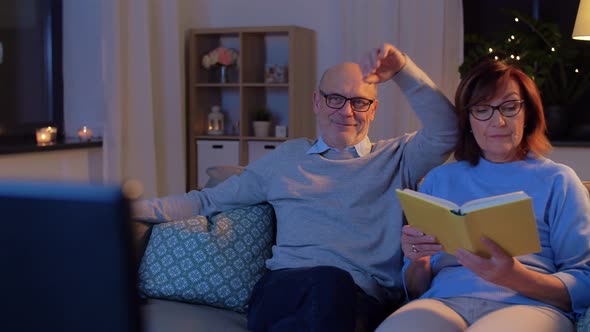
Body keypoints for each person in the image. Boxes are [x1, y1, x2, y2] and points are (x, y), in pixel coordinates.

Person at [134, 43, 458, 331]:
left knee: (333, 285)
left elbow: (447, 131)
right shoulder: (286, 159)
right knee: (327, 282)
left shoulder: (398, 158)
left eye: (359, 102)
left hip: (360, 301)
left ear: (373, 110)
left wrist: (402, 70)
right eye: (335, 99)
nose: (346, 112)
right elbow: (207, 201)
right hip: (283, 291)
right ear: (317, 102)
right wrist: (128, 208)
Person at [376, 58, 590, 332]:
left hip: (529, 305)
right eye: (482, 110)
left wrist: (515, 276)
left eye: (510, 107)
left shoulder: (559, 180)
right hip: (444, 302)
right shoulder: (439, 179)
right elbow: (415, 288)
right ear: (468, 121)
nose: (498, 121)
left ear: (529, 114)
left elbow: (584, 284)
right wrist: (418, 261)